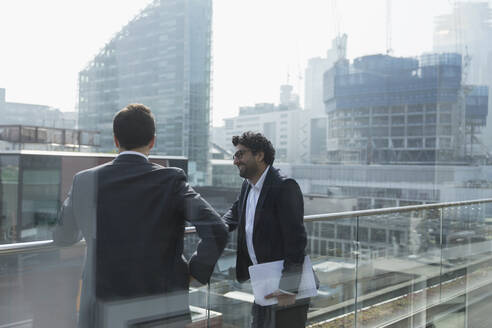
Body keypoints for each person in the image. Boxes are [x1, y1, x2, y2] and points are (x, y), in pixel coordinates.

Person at [53, 104, 228, 327]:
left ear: (116, 140)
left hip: (103, 308)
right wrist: (195, 272)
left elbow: (63, 237)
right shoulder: (170, 180)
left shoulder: (85, 180)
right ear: (152, 141)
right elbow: (217, 229)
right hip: (160, 307)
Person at [222, 131, 309, 328]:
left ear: (259, 155)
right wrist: (213, 228)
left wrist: (288, 287)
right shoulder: (247, 186)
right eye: (234, 156)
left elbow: (296, 241)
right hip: (262, 282)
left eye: (240, 154)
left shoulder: (284, 186)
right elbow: (234, 214)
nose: (235, 161)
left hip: (284, 286)